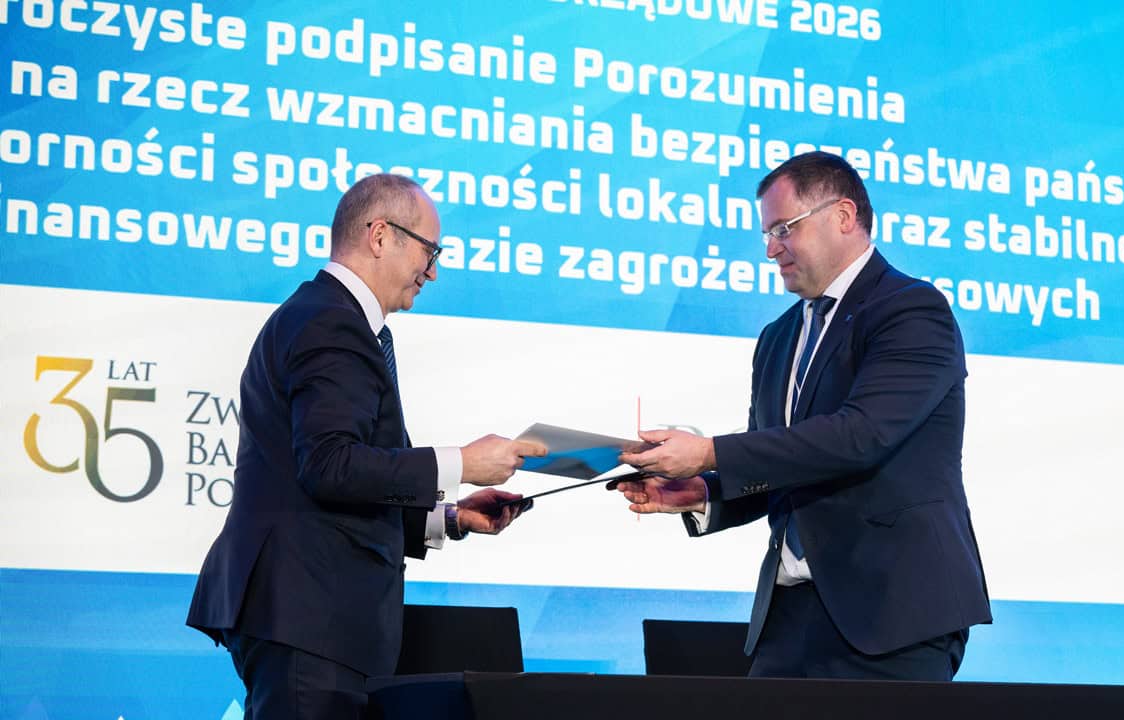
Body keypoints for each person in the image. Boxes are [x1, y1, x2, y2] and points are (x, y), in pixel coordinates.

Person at [617, 151, 990, 681]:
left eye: (783, 229)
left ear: (843, 216)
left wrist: (707, 452)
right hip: (790, 619)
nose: (771, 249)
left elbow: (861, 435)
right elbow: (778, 467)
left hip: (894, 614)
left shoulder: (911, 309)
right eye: (767, 234)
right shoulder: (778, 338)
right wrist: (700, 491)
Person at [187, 173, 546, 718]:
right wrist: (464, 463)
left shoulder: (329, 316)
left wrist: (449, 518)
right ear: (380, 236)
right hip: (309, 615)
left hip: (312, 617)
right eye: (429, 251)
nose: (433, 270)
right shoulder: (331, 321)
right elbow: (330, 465)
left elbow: (340, 476)